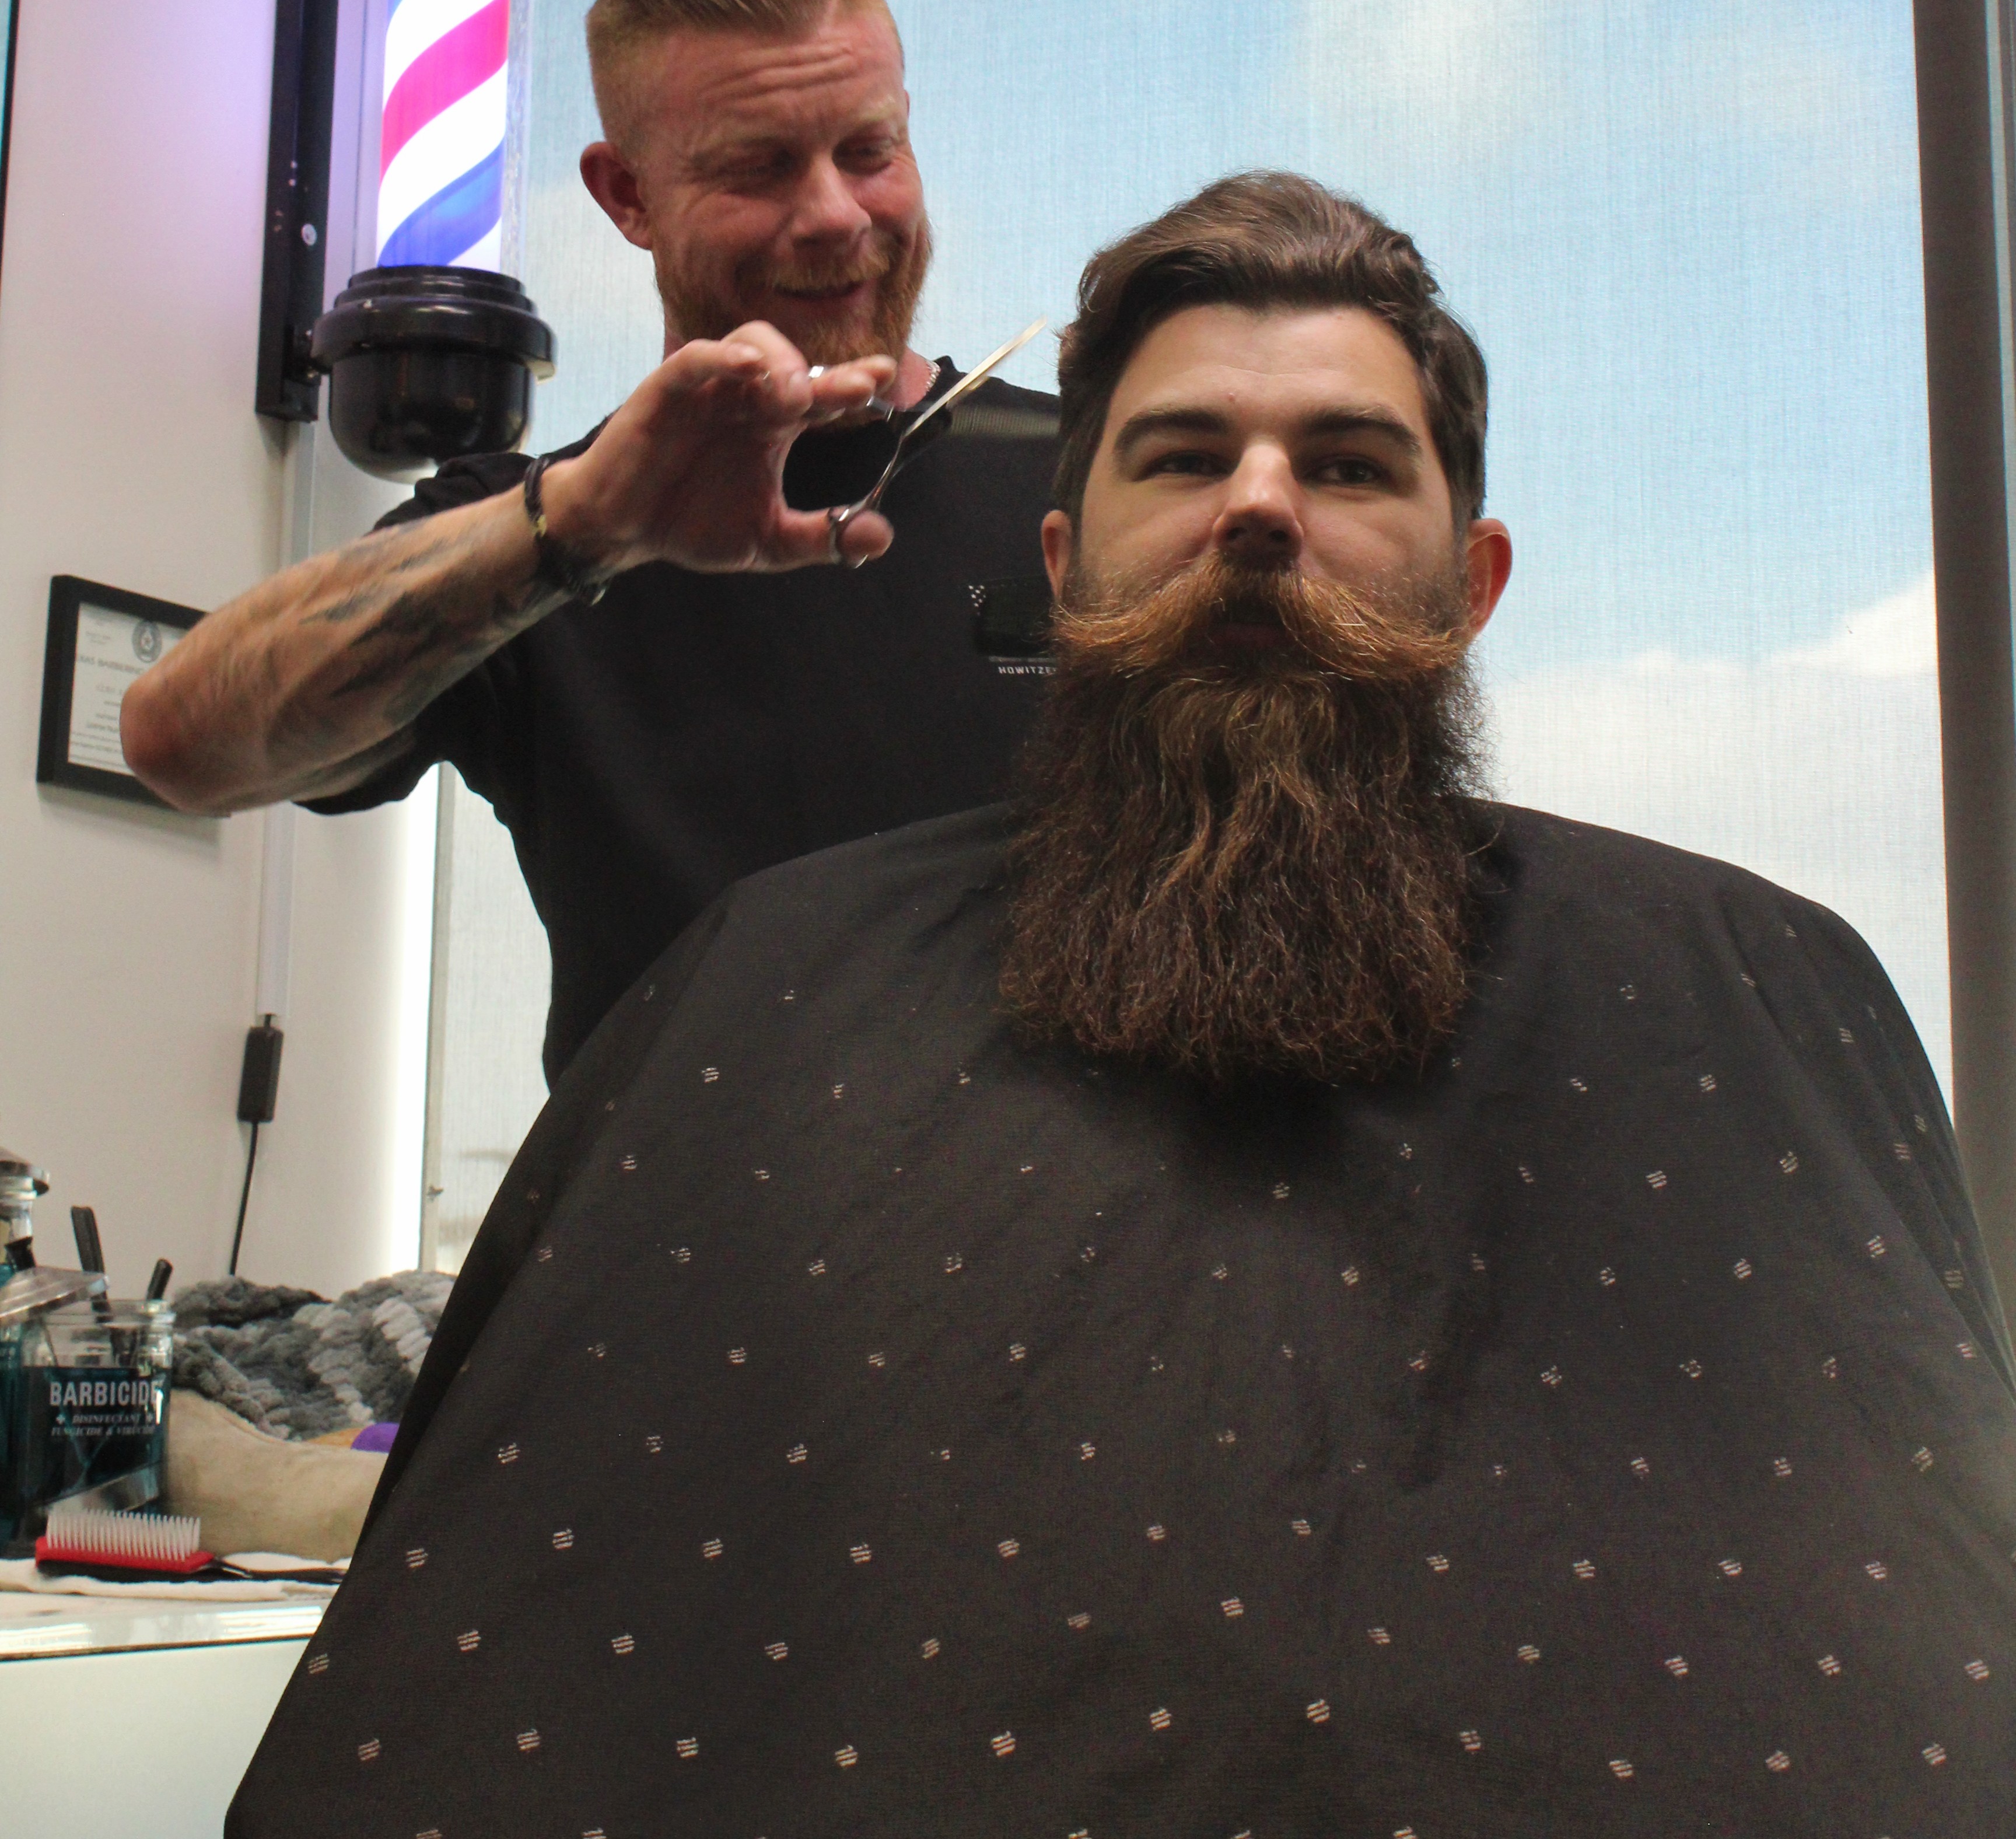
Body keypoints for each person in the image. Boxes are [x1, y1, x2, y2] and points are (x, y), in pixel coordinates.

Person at [228, 173, 2016, 1838]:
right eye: (1186, 454)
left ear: (1469, 591)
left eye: (1347, 462)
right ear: (1066, 573)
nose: (1258, 504)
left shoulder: (1750, 993)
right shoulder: (768, 985)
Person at [123, 0, 1057, 1079]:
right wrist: (576, 530)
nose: (833, 214)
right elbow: (179, 745)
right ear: (627, 197)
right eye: (758, 167)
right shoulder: (535, 535)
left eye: (868, 151)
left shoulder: (1095, 488)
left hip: (1056, 1241)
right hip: (687, 1239)